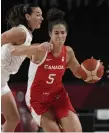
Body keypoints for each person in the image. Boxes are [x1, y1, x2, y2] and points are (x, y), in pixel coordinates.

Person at [25, 8, 82, 132]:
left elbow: (79, 73)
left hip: (58, 97)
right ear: (50, 33)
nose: (60, 36)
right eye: (56, 33)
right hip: (37, 99)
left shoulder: (68, 52)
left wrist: (93, 72)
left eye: (63, 32)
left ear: (67, 34)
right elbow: (17, 51)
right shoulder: (40, 50)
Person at [1, 4, 52, 132]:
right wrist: (38, 48)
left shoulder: (27, 36)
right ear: (28, 16)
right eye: (38, 15)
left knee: (13, 118)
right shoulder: (21, 31)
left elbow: (24, 51)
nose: (42, 18)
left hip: (2, 81)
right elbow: (2, 39)